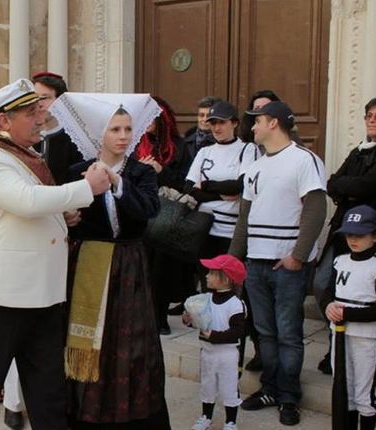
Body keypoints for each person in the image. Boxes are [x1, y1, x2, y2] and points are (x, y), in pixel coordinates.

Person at [0, 80, 111, 430]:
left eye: (40, 111)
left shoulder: (26, 156)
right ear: (4, 121)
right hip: (2, 296)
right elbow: (25, 202)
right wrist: (86, 189)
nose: (40, 119)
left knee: (48, 391)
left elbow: (36, 206)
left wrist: (62, 216)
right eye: (31, 114)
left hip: (42, 295)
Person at [51, 92, 167, 429]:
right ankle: (86, 411)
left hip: (130, 265)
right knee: (87, 340)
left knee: (132, 343)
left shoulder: (140, 173)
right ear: (99, 133)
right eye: (115, 129)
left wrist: (117, 183)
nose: (123, 136)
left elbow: (149, 211)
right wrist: (69, 215)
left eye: (128, 129)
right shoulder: (76, 171)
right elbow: (64, 214)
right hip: (88, 261)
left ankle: (131, 412)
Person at [229, 101, 327, 426]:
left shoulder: (303, 161)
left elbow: (315, 209)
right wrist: (231, 263)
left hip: (287, 266)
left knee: (288, 333)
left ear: (273, 123)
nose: (252, 128)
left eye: (257, 122)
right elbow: (244, 218)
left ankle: (289, 396)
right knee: (265, 332)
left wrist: (298, 256)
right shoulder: (255, 167)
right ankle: (270, 387)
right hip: (256, 265)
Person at [314, 97, 376, 375]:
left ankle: (346, 348)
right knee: (324, 285)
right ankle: (337, 340)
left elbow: (370, 185)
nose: (372, 120)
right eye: (368, 115)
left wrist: (349, 189)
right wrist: (348, 188)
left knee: (359, 293)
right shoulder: (361, 149)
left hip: (370, 234)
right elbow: (332, 182)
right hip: (342, 229)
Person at [185, 100, 262, 370]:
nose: (217, 127)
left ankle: (243, 352)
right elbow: (190, 187)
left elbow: (241, 185)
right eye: (213, 123)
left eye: (222, 122)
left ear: (234, 123)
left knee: (238, 297)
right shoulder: (204, 151)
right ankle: (212, 349)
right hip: (206, 229)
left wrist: (207, 186)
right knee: (211, 294)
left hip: (233, 233)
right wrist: (220, 192)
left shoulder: (248, 149)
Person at [319, 205, 376, 430]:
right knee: (345, 388)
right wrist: (328, 306)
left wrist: (347, 313)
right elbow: (327, 293)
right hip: (340, 334)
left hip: (366, 339)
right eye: (350, 234)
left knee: (364, 394)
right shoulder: (340, 260)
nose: (354, 239)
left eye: (360, 235)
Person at [138, 97, 195, 335]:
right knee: (141, 269)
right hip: (140, 215)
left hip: (166, 218)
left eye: (153, 117)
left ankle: (159, 317)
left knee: (161, 271)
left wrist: (161, 171)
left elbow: (186, 184)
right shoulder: (135, 143)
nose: (148, 122)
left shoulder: (179, 147)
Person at [183, 255, 247, 430]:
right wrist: (189, 319)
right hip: (207, 352)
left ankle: (231, 421)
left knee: (229, 386)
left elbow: (237, 332)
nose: (206, 276)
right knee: (207, 385)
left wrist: (214, 335)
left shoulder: (235, 305)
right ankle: (206, 417)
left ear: (225, 278)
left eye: (211, 273)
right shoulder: (206, 299)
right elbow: (198, 319)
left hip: (227, 354)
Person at [31, 71, 83, 185]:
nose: (39, 104)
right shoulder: (26, 136)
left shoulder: (75, 139)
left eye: (45, 98)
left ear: (60, 101)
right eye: (35, 98)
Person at [180, 96, 219, 165]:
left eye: (208, 116)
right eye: (201, 115)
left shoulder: (223, 141)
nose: (204, 119)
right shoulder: (186, 141)